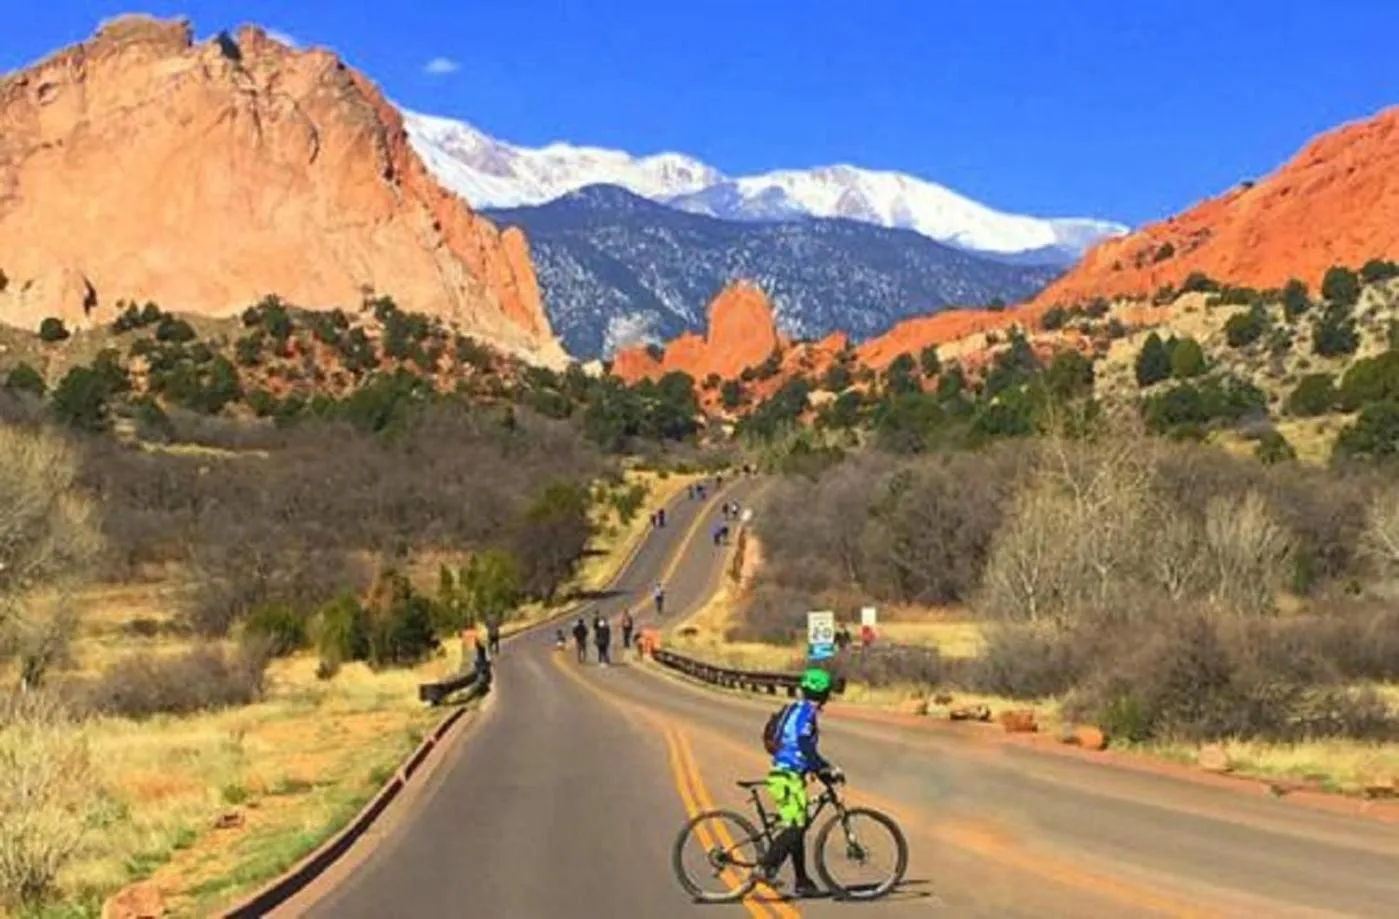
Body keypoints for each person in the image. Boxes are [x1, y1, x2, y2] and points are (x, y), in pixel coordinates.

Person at [753, 668, 841, 898]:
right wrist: (825, 767)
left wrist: (819, 769)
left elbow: (804, 750)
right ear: (823, 695)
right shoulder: (806, 714)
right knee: (796, 827)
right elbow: (804, 746)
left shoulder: (795, 708)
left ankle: (802, 882)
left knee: (797, 829)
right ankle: (766, 866)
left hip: (790, 774)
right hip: (786, 777)